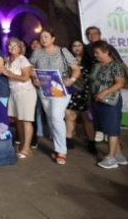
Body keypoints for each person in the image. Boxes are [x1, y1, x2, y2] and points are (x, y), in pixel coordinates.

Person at [29, 28, 81, 165]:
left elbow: (76, 69)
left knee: (57, 117)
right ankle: (58, 147)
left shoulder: (63, 51)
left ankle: (62, 151)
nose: (43, 39)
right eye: (41, 37)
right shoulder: (37, 53)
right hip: (44, 89)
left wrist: (72, 80)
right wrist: (34, 78)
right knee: (51, 117)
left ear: (53, 38)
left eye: (46, 36)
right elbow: (30, 67)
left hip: (60, 88)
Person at [90, 41, 128, 169]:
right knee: (107, 128)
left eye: (98, 52)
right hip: (97, 101)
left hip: (111, 101)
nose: (95, 55)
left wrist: (104, 92)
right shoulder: (96, 65)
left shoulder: (115, 65)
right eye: (94, 52)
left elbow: (120, 83)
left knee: (112, 129)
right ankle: (119, 155)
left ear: (106, 52)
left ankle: (111, 158)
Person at [2, 37, 37, 158]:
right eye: (9, 46)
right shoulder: (7, 60)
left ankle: (27, 148)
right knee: (17, 120)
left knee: (26, 120)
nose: (12, 48)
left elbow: (25, 77)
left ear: (19, 48)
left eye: (15, 46)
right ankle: (22, 145)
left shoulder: (23, 60)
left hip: (25, 92)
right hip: (14, 92)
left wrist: (9, 74)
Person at [65, 39, 96, 154]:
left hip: (86, 93)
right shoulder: (67, 61)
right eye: (74, 45)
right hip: (72, 92)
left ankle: (91, 143)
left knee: (87, 118)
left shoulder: (90, 62)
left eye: (79, 45)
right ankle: (68, 140)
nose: (77, 48)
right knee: (69, 115)